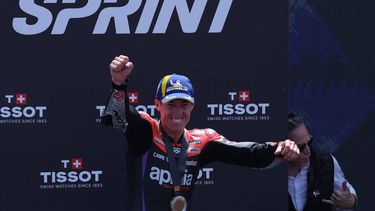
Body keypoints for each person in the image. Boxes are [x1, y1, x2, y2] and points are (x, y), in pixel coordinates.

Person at [101, 54, 300, 211]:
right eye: (171, 105)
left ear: (192, 107)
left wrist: (280, 148)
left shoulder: (200, 142)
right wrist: (119, 84)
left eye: (184, 105)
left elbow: (247, 153)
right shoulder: (146, 131)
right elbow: (116, 116)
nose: (178, 112)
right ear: (157, 105)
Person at [287, 113, 358, 211]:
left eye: (309, 142)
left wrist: (351, 200)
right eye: (301, 147)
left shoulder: (326, 163)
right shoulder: (267, 171)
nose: (308, 151)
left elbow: (345, 189)